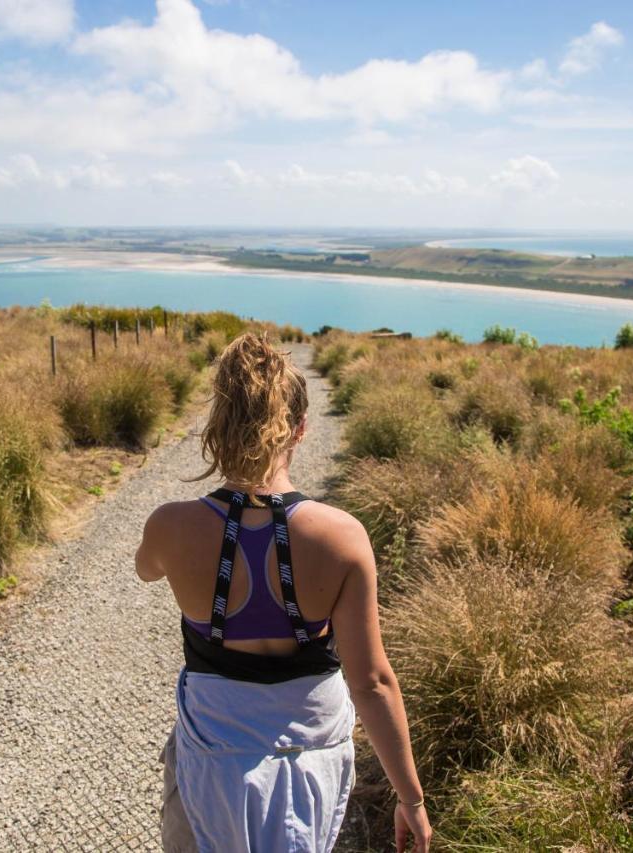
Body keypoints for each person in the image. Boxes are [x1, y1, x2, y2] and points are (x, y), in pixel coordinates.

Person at [135, 332, 431, 853]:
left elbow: (145, 570)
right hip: (309, 754)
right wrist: (412, 799)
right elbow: (372, 682)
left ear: (217, 428)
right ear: (299, 430)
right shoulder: (342, 536)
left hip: (212, 752)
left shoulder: (171, 526)